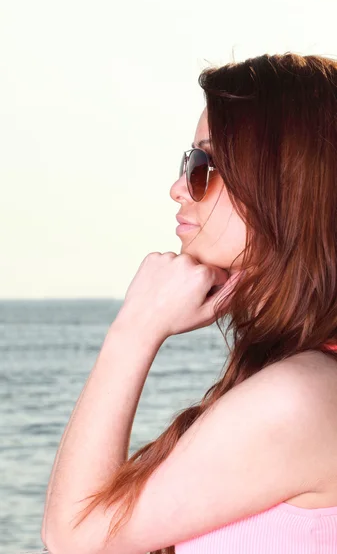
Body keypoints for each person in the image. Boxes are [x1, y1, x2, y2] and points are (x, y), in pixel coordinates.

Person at [41, 52, 337, 554]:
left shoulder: (299, 397)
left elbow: (74, 539)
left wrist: (133, 331)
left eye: (204, 165)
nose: (180, 187)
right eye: (188, 162)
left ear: (285, 186)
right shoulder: (302, 380)